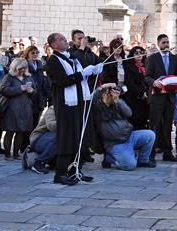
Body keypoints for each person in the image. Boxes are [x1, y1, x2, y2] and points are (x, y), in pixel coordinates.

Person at [45, 32, 102, 185]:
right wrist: (84, 73)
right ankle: (61, 172)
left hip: (80, 102)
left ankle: (75, 169)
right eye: (61, 39)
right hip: (66, 104)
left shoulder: (72, 57)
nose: (65, 41)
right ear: (54, 44)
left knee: (81, 136)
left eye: (64, 38)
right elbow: (63, 81)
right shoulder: (52, 61)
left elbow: (80, 76)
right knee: (67, 137)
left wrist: (93, 70)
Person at [94, 83, 156, 171]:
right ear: (104, 95)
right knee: (130, 165)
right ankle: (109, 157)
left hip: (129, 137)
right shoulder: (97, 107)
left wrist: (117, 100)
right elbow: (90, 99)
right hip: (115, 143)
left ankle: (143, 160)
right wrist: (104, 87)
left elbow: (129, 113)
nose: (114, 95)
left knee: (150, 135)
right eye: (111, 93)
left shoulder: (117, 103)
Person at [144, 34, 177, 162]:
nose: (166, 45)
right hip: (157, 98)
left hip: (170, 98)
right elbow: (147, 76)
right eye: (164, 42)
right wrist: (154, 82)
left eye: (168, 42)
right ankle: (151, 154)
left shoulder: (175, 58)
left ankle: (168, 152)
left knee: (168, 127)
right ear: (159, 44)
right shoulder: (152, 58)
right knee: (155, 126)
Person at [0, 58, 37, 160]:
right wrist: (20, 89)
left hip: (25, 108)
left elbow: (36, 93)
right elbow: (2, 89)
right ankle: (7, 154)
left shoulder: (29, 77)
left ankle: (16, 153)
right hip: (12, 107)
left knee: (21, 131)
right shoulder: (9, 77)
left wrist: (31, 91)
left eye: (24, 68)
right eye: (20, 68)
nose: (22, 70)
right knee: (10, 130)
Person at [122, 46, 149, 130]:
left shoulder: (147, 65)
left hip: (146, 98)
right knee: (134, 120)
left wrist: (147, 92)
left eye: (141, 52)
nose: (139, 55)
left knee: (144, 121)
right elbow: (130, 83)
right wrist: (141, 93)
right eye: (136, 53)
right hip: (134, 97)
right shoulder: (128, 66)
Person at [27, 105, 56, 174]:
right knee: (60, 137)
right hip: (38, 138)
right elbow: (51, 127)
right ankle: (39, 162)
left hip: (49, 139)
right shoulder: (52, 109)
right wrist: (65, 121)